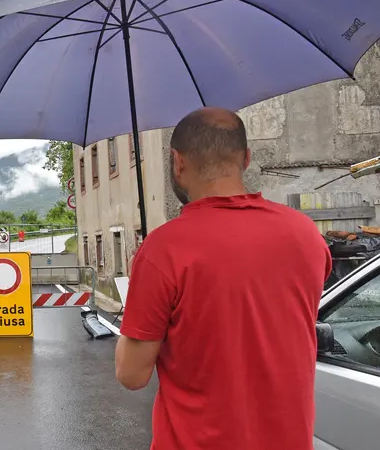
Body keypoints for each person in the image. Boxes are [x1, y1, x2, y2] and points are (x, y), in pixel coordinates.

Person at [114, 107, 332, 450]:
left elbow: (131, 375)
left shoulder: (164, 250)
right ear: (245, 158)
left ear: (177, 162)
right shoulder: (306, 235)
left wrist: (139, 294)